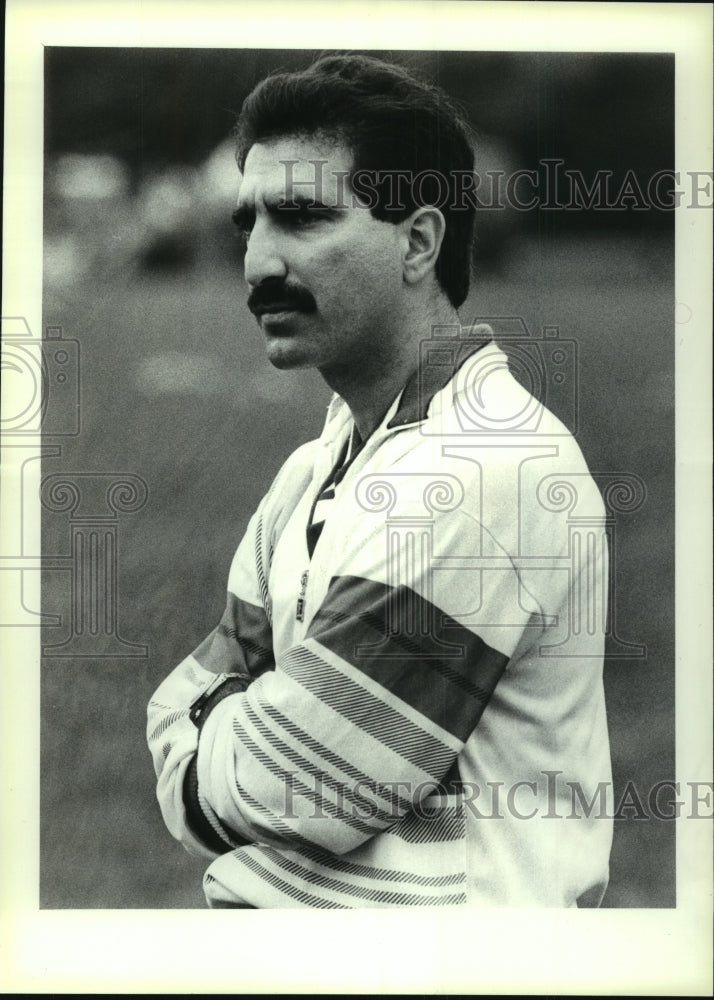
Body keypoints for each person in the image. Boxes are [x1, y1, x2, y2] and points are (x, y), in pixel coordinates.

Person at [147, 53, 613, 908]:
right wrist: (242, 729)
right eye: (248, 223)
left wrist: (224, 725)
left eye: (301, 217)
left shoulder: (482, 468)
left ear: (420, 241)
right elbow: (172, 713)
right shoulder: (311, 469)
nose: (258, 264)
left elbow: (306, 786)